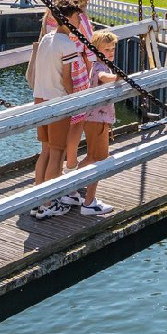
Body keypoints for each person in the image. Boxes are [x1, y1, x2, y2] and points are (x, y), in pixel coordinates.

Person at [29, 0, 84, 220]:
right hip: (57, 100)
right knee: (58, 152)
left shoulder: (47, 38)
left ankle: (37, 201)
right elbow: (67, 79)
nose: (79, 21)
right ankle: (49, 203)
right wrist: (75, 99)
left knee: (45, 150)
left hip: (40, 99)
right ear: (68, 18)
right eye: (77, 17)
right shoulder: (67, 44)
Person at [64, 29, 120, 217]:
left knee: (91, 158)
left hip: (95, 119)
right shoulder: (100, 68)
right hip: (98, 120)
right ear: (96, 51)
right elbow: (104, 78)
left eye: (112, 49)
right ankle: (89, 202)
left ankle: (72, 189)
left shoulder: (101, 65)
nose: (110, 53)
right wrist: (119, 77)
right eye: (106, 49)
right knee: (99, 160)